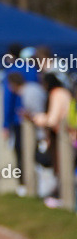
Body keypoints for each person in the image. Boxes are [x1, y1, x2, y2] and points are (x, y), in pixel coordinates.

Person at [32, 72, 73, 206]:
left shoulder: (56, 94)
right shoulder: (65, 92)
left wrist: (36, 118)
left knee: (62, 167)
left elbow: (52, 119)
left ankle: (63, 198)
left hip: (64, 137)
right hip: (69, 134)